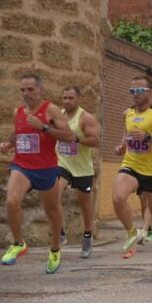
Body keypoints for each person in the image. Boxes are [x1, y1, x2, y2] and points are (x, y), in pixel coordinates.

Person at [0, 72, 73, 273]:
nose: (26, 93)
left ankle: (56, 248)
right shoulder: (18, 112)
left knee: (52, 210)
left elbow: (69, 136)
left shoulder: (51, 110)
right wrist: (9, 143)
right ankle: (18, 243)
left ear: (40, 90)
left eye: (30, 89)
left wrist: (43, 127)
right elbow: (19, 132)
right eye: (23, 90)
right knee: (12, 202)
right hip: (22, 166)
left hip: (46, 169)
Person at [113, 75, 152, 273]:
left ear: (150, 91)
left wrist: (148, 137)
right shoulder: (128, 113)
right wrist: (123, 145)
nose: (135, 95)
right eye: (132, 91)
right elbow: (126, 132)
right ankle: (132, 232)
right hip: (131, 164)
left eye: (139, 91)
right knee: (118, 197)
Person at [56, 86, 100, 258]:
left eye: (70, 98)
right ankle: (60, 232)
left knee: (85, 204)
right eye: (65, 98)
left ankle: (87, 236)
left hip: (82, 169)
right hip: (62, 163)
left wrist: (76, 138)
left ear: (78, 99)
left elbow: (95, 141)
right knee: (54, 194)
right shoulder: (57, 116)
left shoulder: (86, 118)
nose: (67, 101)